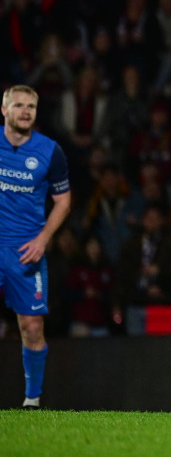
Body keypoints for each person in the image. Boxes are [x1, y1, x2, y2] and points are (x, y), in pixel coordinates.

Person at [0, 85, 71, 408]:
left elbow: (63, 201)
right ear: (5, 110)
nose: (25, 111)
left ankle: (32, 399)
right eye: (18, 105)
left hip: (26, 249)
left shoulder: (50, 151)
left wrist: (43, 239)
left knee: (31, 324)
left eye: (31, 106)